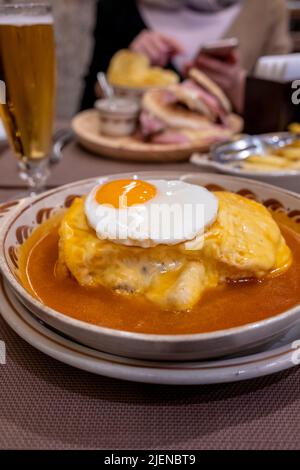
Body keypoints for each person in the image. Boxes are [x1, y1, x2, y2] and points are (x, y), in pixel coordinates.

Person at [80, 0, 292, 114]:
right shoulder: (117, 7)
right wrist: (127, 71)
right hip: (133, 167)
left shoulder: (268, 7)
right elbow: (87, 107)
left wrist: (243, 89)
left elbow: (290, 109)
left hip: (232, 168)